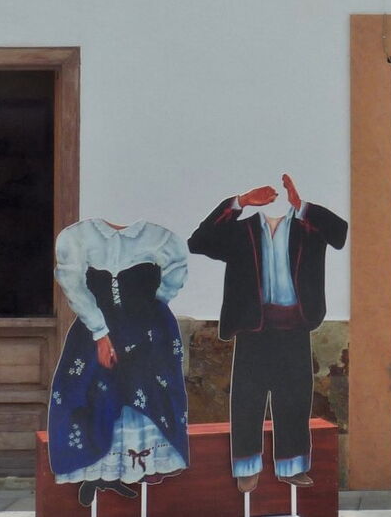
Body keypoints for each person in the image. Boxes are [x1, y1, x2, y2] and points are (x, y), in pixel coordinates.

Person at [188, 174, 347, 492]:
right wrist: (240, 202)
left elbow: (340, 233)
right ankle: (246, 465)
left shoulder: (308, 229)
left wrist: (302, 206)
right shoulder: (241, 232)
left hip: (295, 326)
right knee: (247, 400)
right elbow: (199, 242)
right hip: (253, 327)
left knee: (294, 399)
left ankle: (292, 465)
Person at [47, 219, 191, 507]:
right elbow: (74, 288)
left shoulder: (160, 237)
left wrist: (149, 309)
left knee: (144, 394)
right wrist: (100, 332)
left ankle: (129, 471)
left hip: (148, 333)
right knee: (93, 393)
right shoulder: (79, 237)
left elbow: (175, 275)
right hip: (94, 333)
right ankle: (98, 474)